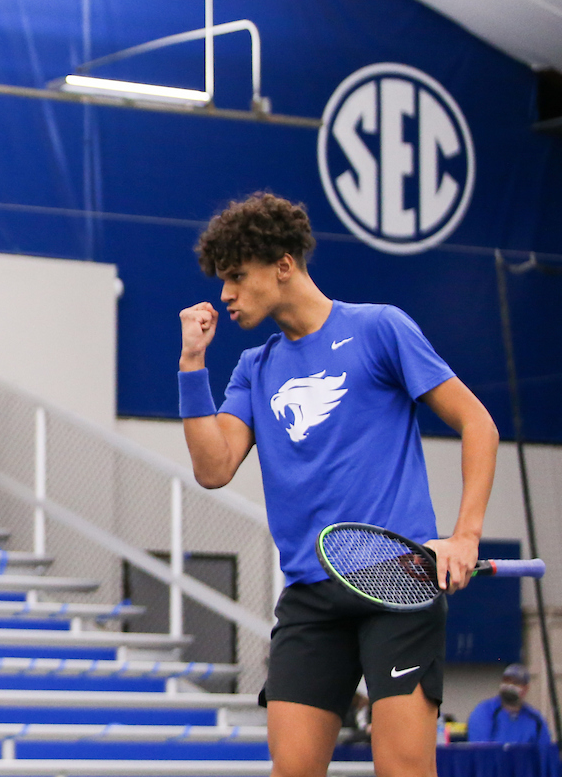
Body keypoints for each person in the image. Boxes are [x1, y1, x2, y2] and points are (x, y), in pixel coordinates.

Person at [177, 192, 499, 777]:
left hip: (395, 579)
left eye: (235, 277)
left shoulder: (380, 329)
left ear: (282, 265)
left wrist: (466, 535)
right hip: (309, 597)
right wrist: (192, 363)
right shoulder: (254, 367)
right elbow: (213, 468)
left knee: (402, 770)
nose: (225, 295)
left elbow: (478, 423)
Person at [467, 664, 550, 747]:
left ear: (525, 688)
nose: (509, 686)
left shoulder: (535, 719)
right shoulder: (484, 712)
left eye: (516, 683)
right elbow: (480, 751)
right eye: (506, 681)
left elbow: (545, 753)